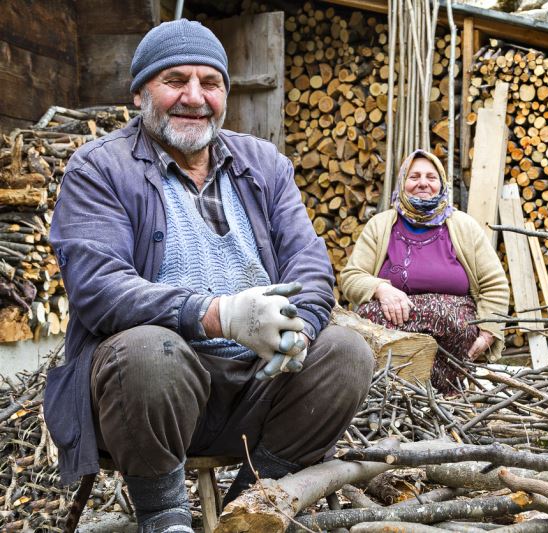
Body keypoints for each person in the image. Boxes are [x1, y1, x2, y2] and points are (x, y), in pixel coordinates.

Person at [44, 20, 374, 533]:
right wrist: (218, 314)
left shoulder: (263, 164)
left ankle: (253, 504)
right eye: (175, 80)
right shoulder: (99, 168)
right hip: (148, 396)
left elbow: (309, 261)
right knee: (150, 351)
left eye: (210, 83)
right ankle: (165, 517)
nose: (195, 98)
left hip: (256, 385)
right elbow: (98, 286)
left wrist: (300, 329)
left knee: (347, 353)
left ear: (225, 93)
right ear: (139, 93)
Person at [341, 150, 509, 392]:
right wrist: (381, 288)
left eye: (431, 177)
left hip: (453, 336)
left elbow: (495, 284)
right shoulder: (380, 225)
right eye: (414, 176)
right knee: (368, 320)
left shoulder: (464, 226)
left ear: (441, 183)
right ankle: (387, 395)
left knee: (456, 323)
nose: (423, 183)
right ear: (402, 182)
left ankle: (446, 396)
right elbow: (351, 277)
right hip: (392, 328)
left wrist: (488, 333)